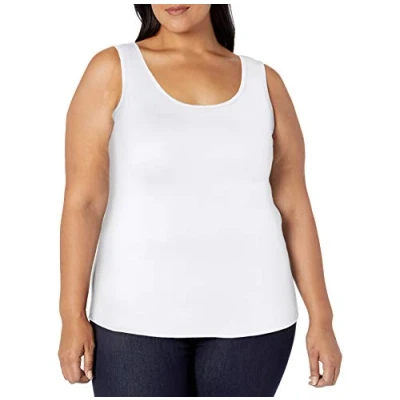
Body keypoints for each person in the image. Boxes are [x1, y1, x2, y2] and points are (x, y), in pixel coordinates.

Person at [58, 4, 342, 397]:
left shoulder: (265, 82)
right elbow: (84, 202)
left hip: (256, 317)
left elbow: (294, 206)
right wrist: (70, 315)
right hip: (132, 317)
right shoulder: (113, 70)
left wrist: (322, 318)